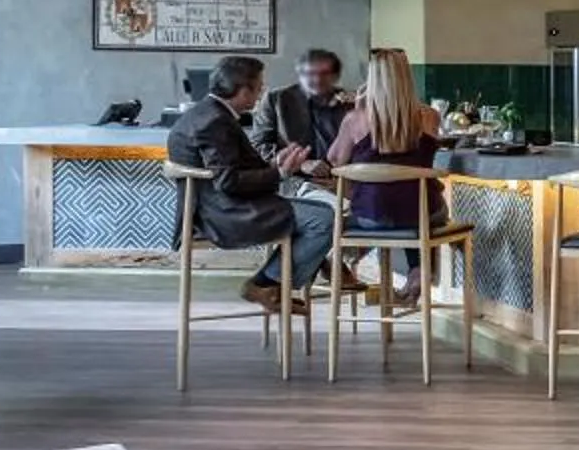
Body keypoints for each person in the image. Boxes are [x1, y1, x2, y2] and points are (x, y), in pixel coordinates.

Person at [168, 54, 335, 312]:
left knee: (319, 212)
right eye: (258, 87)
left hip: (218, 209)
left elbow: (231, 170)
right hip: (224, 216)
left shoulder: (203, 114)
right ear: (243, 90)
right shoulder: (215, 122)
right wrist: (280, 173)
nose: (261, 93)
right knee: (323, 219)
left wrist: (275, 164)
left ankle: (278, 283)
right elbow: (228, 182)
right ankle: (266, 284)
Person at [326, 46, 445, 310]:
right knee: (418, 208)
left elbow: (334, 160)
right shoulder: (430, 116)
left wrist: (359, 108)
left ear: (372, 80)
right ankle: (418, 272)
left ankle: (343, 256)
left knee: (367, 212)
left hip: (371, 217)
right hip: (422, 214)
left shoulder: (355, 119)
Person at [250, 47, 351, 174]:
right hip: (292, 176)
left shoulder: (349, 102)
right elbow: (258, 145)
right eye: (310, 73)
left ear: (336, 76)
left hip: (339, 176)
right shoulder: (276, 99)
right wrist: (300, 163)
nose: (318, 80)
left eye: (325, 73)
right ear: (300, 75)